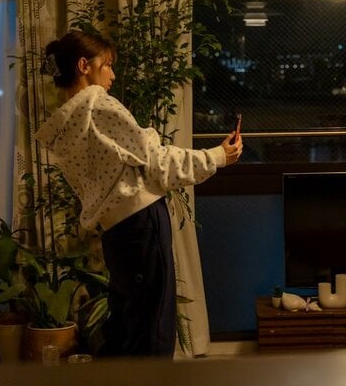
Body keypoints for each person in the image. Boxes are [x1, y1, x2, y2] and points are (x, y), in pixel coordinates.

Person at [34, 30, 243, 357]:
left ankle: (121, 383)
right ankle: (151, 385)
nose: (112, 75)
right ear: (84, 66)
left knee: (127, 328)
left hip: (115, 234)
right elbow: (157, 162)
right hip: (141, 224)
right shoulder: (99, 104)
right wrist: (217, 156)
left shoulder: (65, 125)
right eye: (107, 65)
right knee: (153, 330)